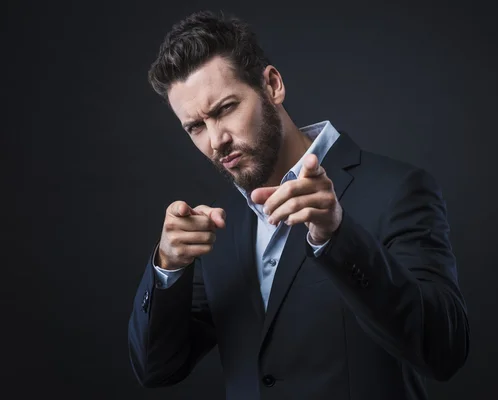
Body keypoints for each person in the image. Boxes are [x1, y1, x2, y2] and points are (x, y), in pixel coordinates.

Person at [128, 10, 470, 400]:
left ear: (272, 85)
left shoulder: (397, 189)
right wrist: (167, 267)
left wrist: (338, 238)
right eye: (195, 127)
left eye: (225, 109)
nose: (216, 139)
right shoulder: (218, 227)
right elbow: (158, 369)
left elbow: (445, 351)